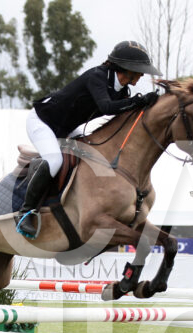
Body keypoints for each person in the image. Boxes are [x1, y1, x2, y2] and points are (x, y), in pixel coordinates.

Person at [16, 40, 162, 239]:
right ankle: (26, 212)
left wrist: (146, 105)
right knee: (55, 160)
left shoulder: (122, 90)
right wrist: (139, 100)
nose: (142, 75)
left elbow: (122, 114)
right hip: (43, 121)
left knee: (92, 154)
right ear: (126, 69)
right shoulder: (97, 76)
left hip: (67, 127)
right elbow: (106, 107)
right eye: (139, 71)